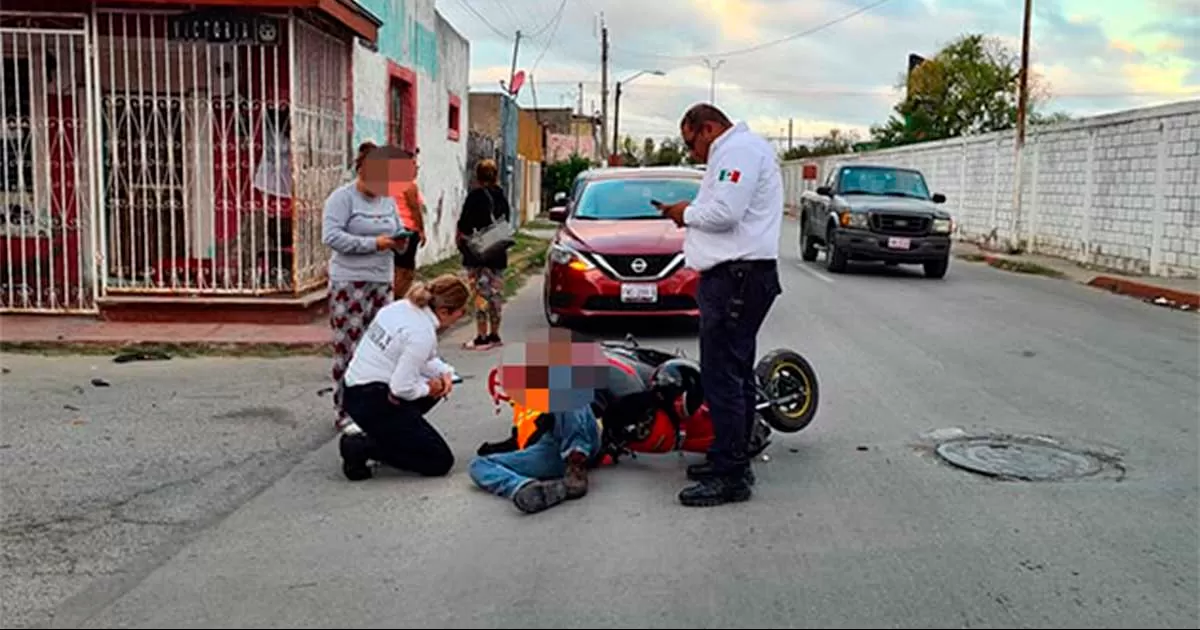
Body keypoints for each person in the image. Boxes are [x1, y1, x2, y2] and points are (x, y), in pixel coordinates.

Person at [655, 103, 784, 507]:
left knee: (723, 377)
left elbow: (726, 213)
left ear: (708, 128)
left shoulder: (738, 151)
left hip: (737, 280)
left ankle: (731, 475)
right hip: (737, 278)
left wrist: (684, 213)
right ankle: (730, 456)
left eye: (690, 141)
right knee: (736, 374)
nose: (691, 151)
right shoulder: (738, 151)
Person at [337, 274, 472, 481]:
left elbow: (421, 360)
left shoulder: (400, 308)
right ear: (445, 311)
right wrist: (431, 388)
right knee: (439, 461)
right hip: (375, 400)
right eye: (462, 311)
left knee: (431, 389)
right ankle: (363, 447)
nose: (462, 316)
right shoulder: (421, 333)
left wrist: (445, 373)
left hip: (354, 390)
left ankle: (389, 434)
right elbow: (401, 388)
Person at [322, 142, 410, 435]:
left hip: (381, 280)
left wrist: (400, 241)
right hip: (350, 282)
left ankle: (375, 409)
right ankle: (345, 411)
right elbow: (332, 237)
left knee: (380, 348)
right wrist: (374, 244)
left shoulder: (387, 201)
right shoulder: (343, 199)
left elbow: (396, 229)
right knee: (350, 347)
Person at [456, 158, 512, 350]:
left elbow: (464, 224)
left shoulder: (475, 196)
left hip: (478, 253)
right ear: (496, 176)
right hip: (497, 252)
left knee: (481, 294)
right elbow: (507, 221)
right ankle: (495, 334)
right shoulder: (502, 196)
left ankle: (481, 336)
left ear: (477, 176)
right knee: (495, 294)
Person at [390, 147, 427, 301]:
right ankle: (395, 299)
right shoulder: (408, 185)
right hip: (407, 228)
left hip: (392, 227)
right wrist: (422, 230)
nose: (416, 169)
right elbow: (414, 210)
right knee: (406, 270)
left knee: (396, 267)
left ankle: (393, 297)